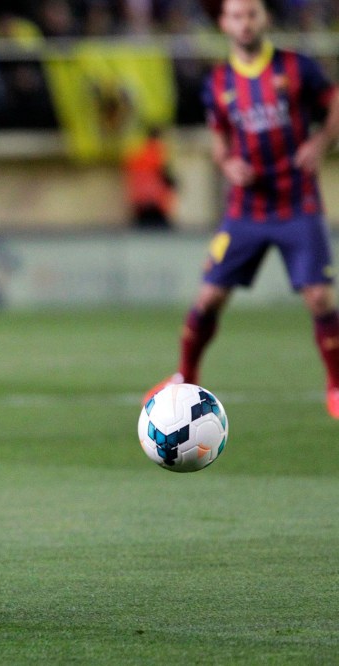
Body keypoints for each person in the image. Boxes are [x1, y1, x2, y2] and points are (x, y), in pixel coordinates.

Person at [146, 0, 339, 417]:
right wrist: (227, 163)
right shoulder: (218, 82)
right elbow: (219, 139)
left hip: (297, 203)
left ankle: (337, 386)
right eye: (237, 15)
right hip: (245, 210)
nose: (245, 23)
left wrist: (321, 141)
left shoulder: (296, 68)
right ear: (224, 23)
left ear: (264, 18)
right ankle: (185, 378)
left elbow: (334, 100)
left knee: (320, 297)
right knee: (209, 297)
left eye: (252, 14)